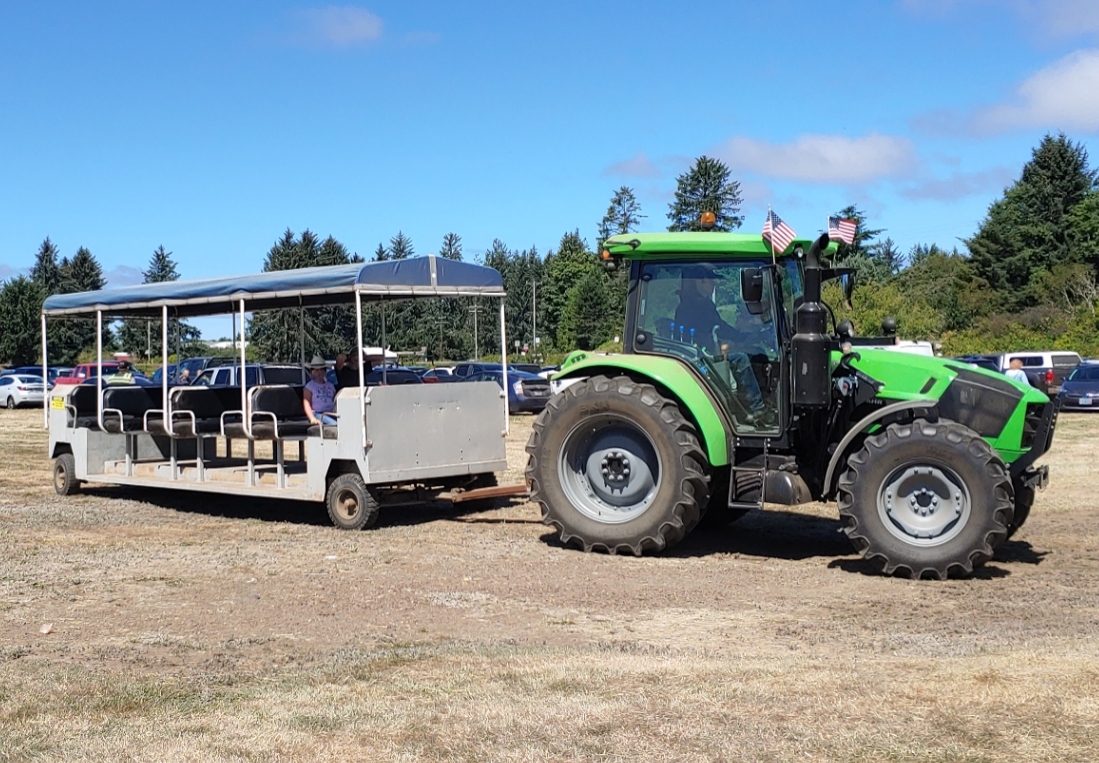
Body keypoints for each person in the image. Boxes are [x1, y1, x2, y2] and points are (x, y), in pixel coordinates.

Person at [673, 266, 767, 421]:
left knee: (749, 353)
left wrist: (737, 338)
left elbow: (718, 329)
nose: (714, 284)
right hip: (703, 358)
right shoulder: (699, 306)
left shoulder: (688, 306)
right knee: (742, 358)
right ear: (699, 282)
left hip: (703, 353)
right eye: (711, 280)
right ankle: (756, 407)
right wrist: (742, 337)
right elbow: (720, 329)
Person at [303, 354, 338, 426]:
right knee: (335, 424)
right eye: (316, 370)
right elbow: (306, 404)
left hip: (331, 413)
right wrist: (312, 419)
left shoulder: (330, 385)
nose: (319, 372)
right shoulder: (309, 386)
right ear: (311, 372)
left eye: (321, 370)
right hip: (317, 414)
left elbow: (335, 401)